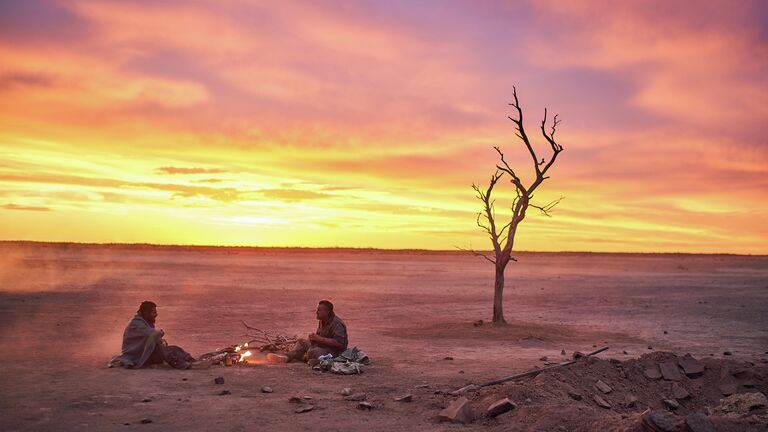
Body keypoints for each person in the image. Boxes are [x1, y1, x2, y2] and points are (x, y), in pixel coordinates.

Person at [109, 301, 208, 369]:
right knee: (163, 350)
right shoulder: (136, 324)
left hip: (145, 353)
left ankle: (191, 361)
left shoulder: (145, 322)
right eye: (153, 312)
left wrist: (159, 339)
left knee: (174, 349)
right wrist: (159, 334)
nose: (156, 314)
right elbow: (151, 335)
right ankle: (183, 365)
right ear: (145, 313)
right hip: (137, 356)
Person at [284, 300, 348, 363]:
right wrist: (313, 339)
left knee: (313, 352)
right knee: (301, 342)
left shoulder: (337, 324)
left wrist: (319, 339)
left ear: (327, 312)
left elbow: (339, 343)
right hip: (323, 347)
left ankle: (304, 357)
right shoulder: (322, 321)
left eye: (319, 310)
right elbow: (319, 338)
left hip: (334, 352)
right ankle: (287, 357)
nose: (316, 312)